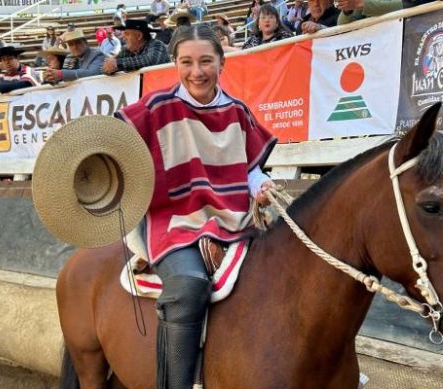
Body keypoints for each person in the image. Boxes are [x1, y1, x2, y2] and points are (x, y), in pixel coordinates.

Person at [114, 24, 276, 389]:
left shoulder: (237, 111)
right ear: (174, 64)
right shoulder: (155, 107)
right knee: (188, 287)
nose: (197, 71)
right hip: (173, 221)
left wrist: (262, 185)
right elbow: (112, 143)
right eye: (186, 62)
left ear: (222, 64)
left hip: (233, 216)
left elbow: (250, 169)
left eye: (206, 61)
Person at [103, 19, 170, 75]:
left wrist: (117, 64)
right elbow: (106, 67)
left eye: (127, 34)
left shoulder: (157, 45)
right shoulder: (126, 50)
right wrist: (109, 67)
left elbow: (151, 60)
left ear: (139, 35)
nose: (123, 37)